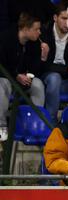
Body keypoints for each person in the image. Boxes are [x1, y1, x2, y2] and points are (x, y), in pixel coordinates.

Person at [0, 12, 46, 141]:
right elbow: (1, 66)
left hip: (23, 80)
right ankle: (1, 127)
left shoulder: (34, 43)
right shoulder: (6, 38)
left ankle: (35, 124)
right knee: (2, 84)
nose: (39, 33)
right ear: (25, 29)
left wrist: (43, 58)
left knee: (38, 84)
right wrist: (15, 76)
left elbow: (36, 69)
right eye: (36, 29)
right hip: (7, 78)